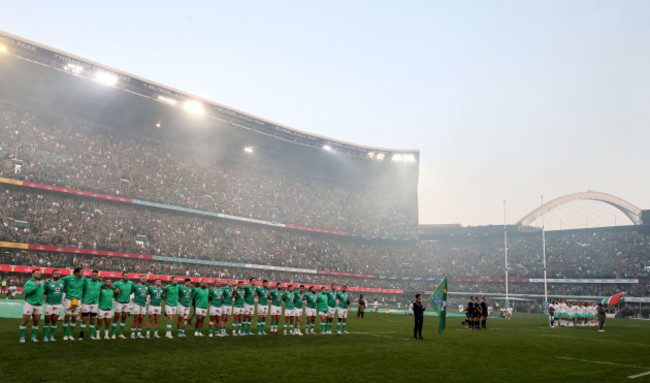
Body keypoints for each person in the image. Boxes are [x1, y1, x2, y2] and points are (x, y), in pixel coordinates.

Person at [20, 269, 44, 343]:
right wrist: (35, 285)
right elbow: (27, 291)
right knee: (25, 320)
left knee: (36, 321)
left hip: (39, 304)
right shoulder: (28, 283)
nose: (39, 274)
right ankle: (22, 337)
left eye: (40, 273)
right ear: (33, 275)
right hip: (29, 304)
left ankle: (33, 337)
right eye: (37, 273)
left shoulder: (42, 283)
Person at [62, 267, 86, 340]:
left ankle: (70, 335)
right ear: (77, 272)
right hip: (69, 299)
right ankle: (65, 335)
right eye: (81, 272)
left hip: (78, 300)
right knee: (67, 316)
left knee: (74, 317)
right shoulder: (68, 278)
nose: (83, 273)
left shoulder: (83, 279)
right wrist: (65, 288)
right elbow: (60, 281)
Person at [79, 270, 103, 340]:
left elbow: (108, 286)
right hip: (86, 303)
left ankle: (91, 335)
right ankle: (81, 335)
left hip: (95, 304)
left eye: (96, 275)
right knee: (85, 319)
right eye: (94, 275)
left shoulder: (100, 283)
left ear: (98, 276)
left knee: (93, 319)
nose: (95, 276)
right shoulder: (86, 281)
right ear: (91, 275)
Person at [111, 272, 135, 339]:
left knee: (124, 318)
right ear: (122, 276)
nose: (126, 277)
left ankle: (121, 334)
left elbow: (133, 288)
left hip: (127, 303)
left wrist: (131, 291)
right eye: (125, 276)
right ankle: (113, 334)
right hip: (119, 302)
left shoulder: (131, 283)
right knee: (116, 317)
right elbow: (112, 286)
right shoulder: (118, 283)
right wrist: (115, 289)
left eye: (127, 276)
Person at [43, 269, 64, 342]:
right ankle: (45, 336)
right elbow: (44, 292)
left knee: (55, 320)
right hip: (49, 304)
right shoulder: (48, 283)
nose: (57, 275)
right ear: (52, 275)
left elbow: (64, 290)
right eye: (55, 273)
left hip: (58, 304)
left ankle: (52, 336)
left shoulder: (62, 282)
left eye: (58, 273)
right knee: (47, 320)